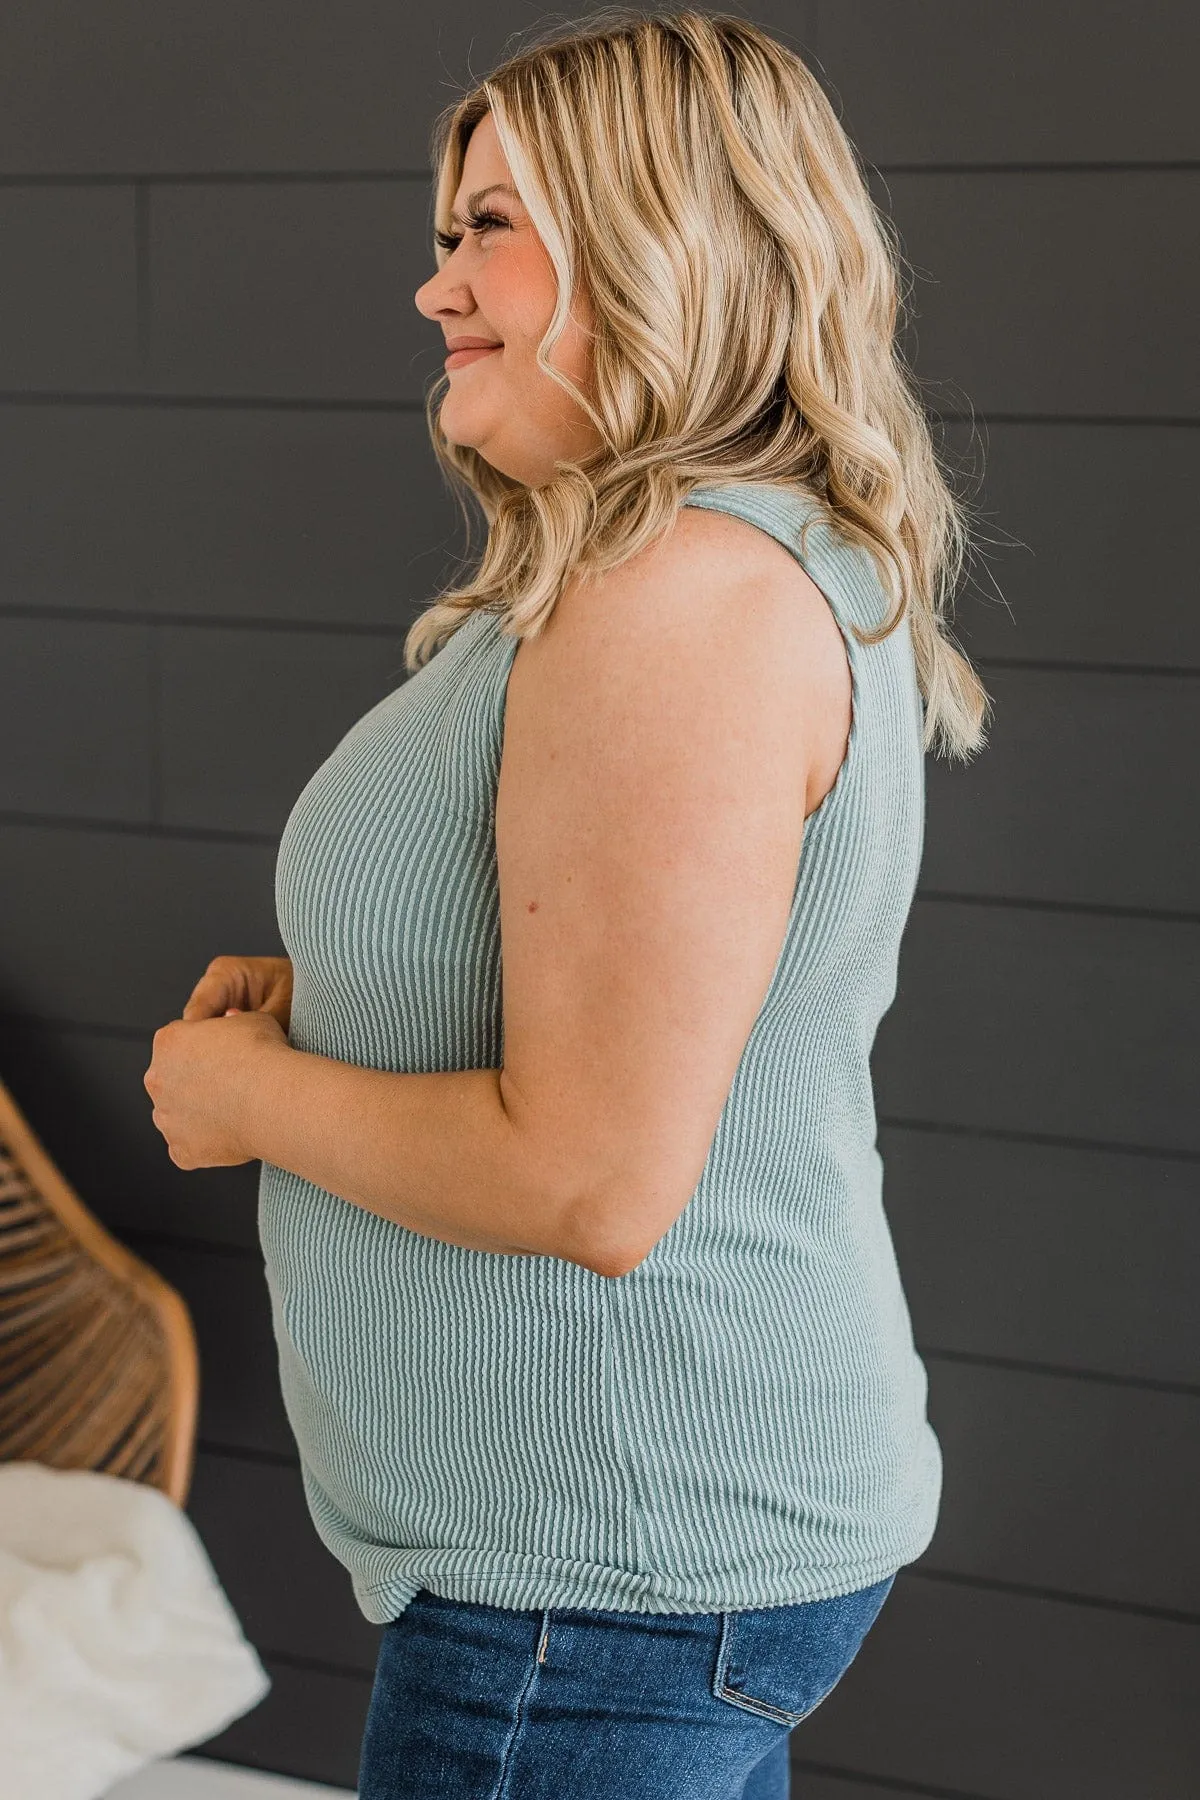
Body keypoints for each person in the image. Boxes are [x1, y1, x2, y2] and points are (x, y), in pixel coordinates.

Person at [146, 9, 992, 1796]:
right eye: (448, 234)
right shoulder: (686, 564)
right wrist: (354, 990)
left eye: (494, 228)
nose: (437, 289)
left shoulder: (683, 596)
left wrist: (249, 1099)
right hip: (624, 1572)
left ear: (662, 232)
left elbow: (596, 1180)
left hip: (598, 1592)